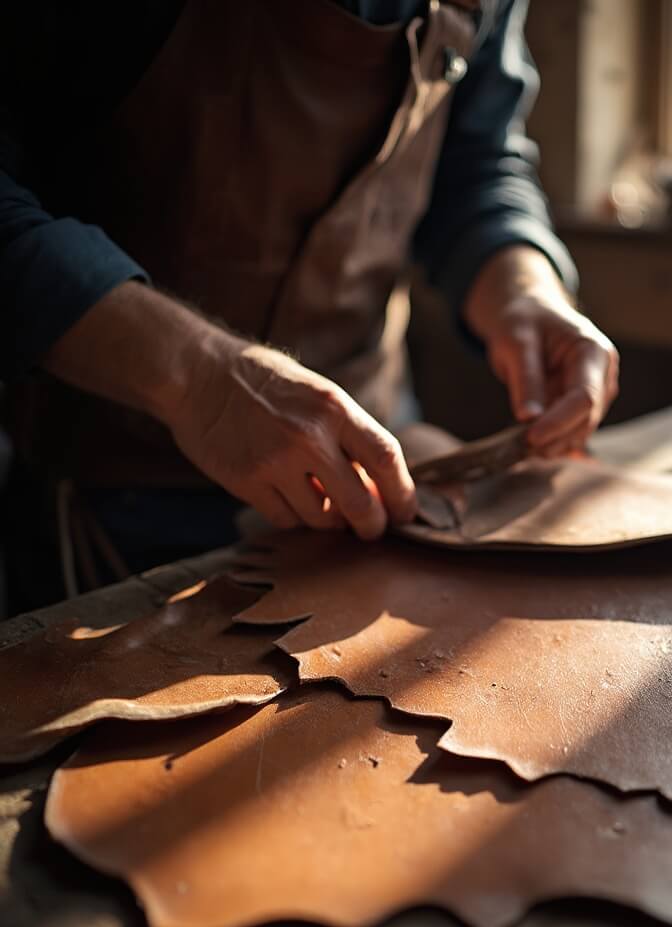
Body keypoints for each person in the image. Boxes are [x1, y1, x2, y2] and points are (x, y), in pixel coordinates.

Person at [0, 0, 618, 612]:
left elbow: (476, 161)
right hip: (110, 500)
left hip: (373, 473)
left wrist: (523, 284)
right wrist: (202, 380)